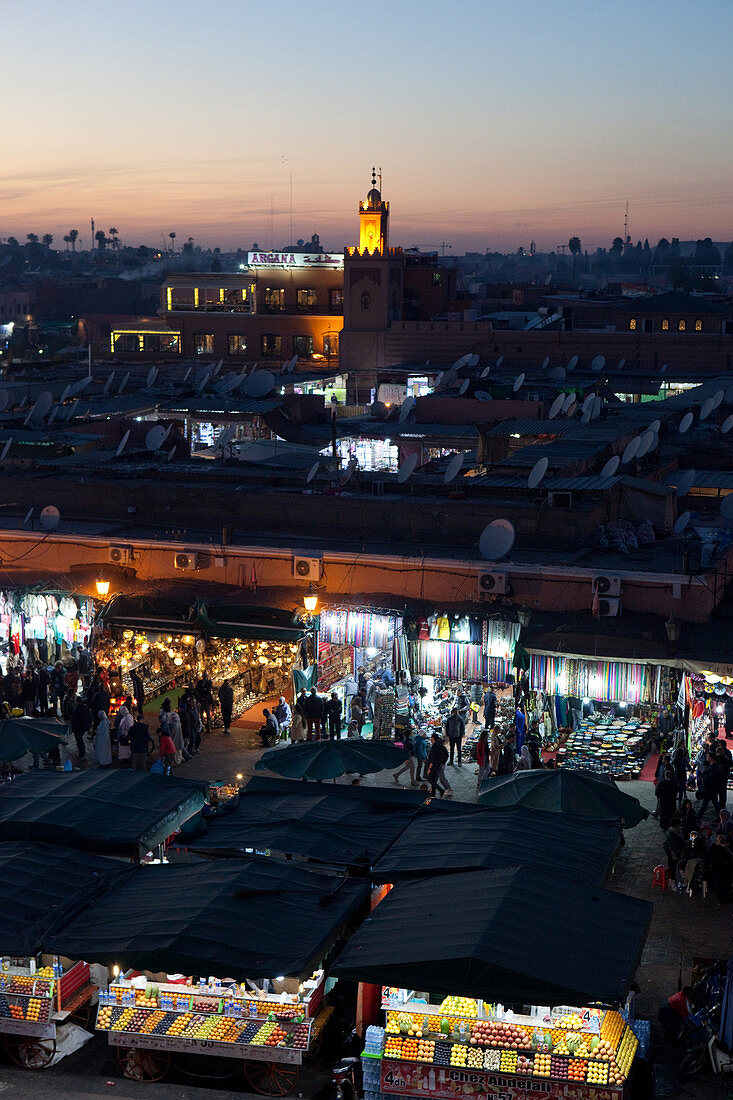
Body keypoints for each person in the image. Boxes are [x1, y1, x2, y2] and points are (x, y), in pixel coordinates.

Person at [708, 834, 733, 904]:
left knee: (719, 884)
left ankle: (720, 898)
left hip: (716, 869)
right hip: (724, 869)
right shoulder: (725, 849)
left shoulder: (713, 848)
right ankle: (724, 898)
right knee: (725, 884)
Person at [426, 732, 452, 798]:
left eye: (431, 738)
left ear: (433, 738)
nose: (430, 740)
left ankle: (439, 791)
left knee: (432, 779)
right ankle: (434, 793)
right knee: (434, 779)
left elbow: (433, 758)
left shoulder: (435, 746)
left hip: (436, 766)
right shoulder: (438, 745)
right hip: (439, 765)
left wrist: (429, 768)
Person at [70, 697, 92, 761]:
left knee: (79, 741)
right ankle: (81, 752)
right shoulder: (85, 708)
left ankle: (81, 754)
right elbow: (89, 717)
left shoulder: (76, 709)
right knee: (80, 740)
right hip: (83, 727)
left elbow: (74, 720)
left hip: (78, 728)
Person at [716, 740, 733, 809]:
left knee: (722, 791)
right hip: (720, 774)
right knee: (721, 790)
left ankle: (721, 805)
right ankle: (720, 805)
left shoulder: (726, 753)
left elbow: (730, 763)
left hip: (723, 774)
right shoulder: (719, 752)